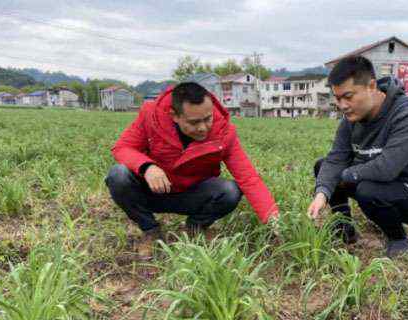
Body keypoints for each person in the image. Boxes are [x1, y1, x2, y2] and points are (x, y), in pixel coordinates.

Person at [106, 82, 279, 258]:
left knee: (230, 191)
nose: (203, 127)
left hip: (191, 195)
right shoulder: (151, 116)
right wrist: (147, 167)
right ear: (174, 115)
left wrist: (274, 220)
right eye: (194, 122)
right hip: (153, 192)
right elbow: (123, 148)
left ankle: (195, 228)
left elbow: (249, 178)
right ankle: (151, 231)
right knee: (118, 175)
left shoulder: (223, 132)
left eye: (208, 118)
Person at [307, 56, 408, 258]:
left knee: (367, 188)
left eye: (348, 96)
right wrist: (322, 193)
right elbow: (336, 158)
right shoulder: (351, 118)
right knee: (324, 166)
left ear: (371, 86)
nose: (343, 105)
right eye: (338, 99)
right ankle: (344, 228)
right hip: (377, 181)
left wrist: (345, 176)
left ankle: (398, 239)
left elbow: (386, 168)